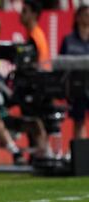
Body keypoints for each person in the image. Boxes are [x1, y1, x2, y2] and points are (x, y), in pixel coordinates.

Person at [59, 4, 89, 139]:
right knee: (79, 122)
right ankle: (80, 153)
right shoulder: (69, 40)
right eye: (86, 15)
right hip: (77, 89)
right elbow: (61, 64)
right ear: (77, 17)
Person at [20, 0, 50, 70]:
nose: (21, 14)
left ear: (34, 14)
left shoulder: (35, 37)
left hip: (39, 77)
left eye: (24, 11)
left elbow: (32, 65)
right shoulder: (35, 33)